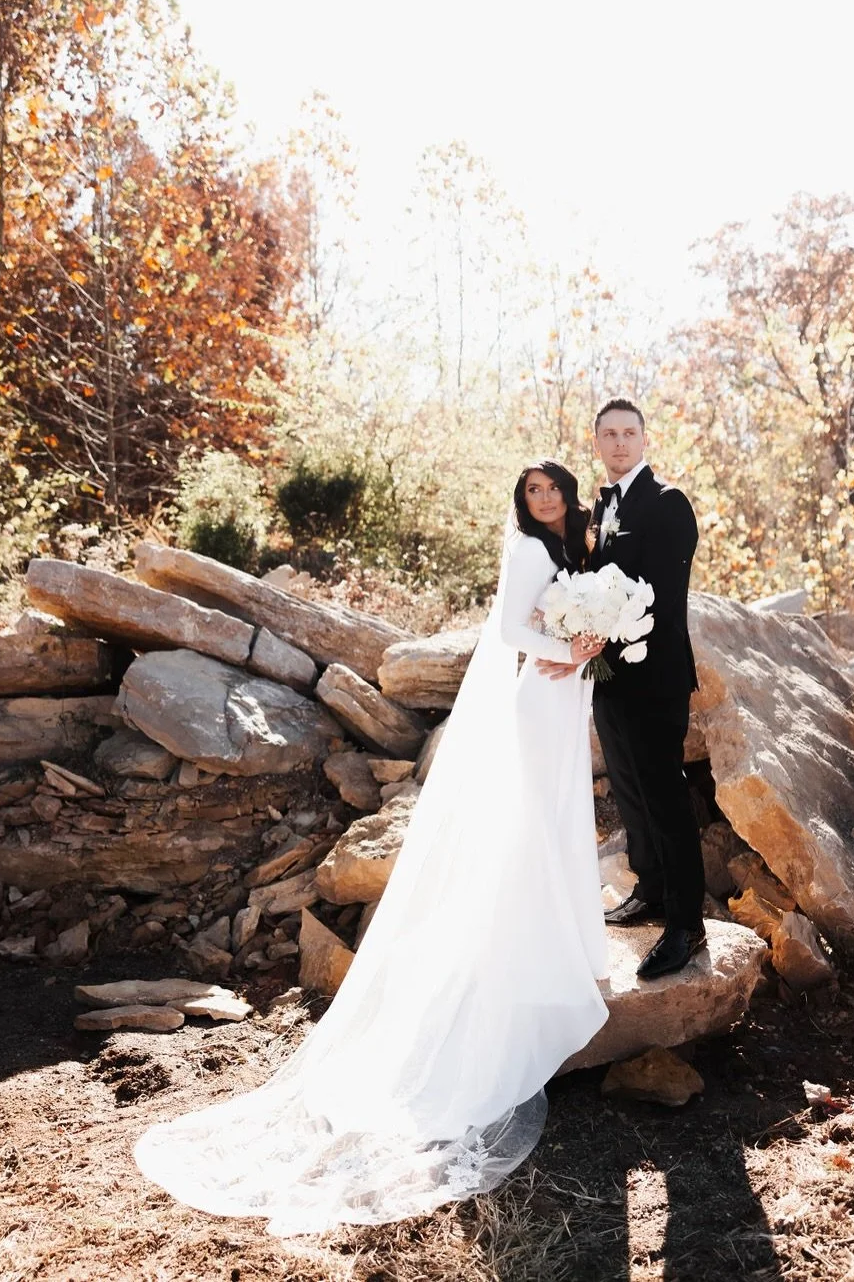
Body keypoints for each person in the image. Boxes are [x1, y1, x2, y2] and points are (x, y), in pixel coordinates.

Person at [133, 460, 610, 1235]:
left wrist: (591, 637)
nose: (545, 498)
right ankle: (530, 952)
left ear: (567, 492)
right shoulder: (529, 550)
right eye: (532, 491)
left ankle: (567, 944)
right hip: (542, 693)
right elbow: (507, 630)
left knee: (559, 819)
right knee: (532, 825)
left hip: (564, 695)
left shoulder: (573, 547)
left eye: (552, 487)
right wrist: (571, 642)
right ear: (523, 503)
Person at [536, 398, 704, 981]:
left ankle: (686, 926)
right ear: (597, 442)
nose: (619, 443)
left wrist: (598, 624)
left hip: (655, 678)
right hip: (610, 679)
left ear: (644, 439)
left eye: (629, 432)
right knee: (630, 793)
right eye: (609, 434)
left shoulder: (668, 504)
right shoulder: (603, 505)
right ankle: (650, 890)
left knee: (665, 797)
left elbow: (660, 594)